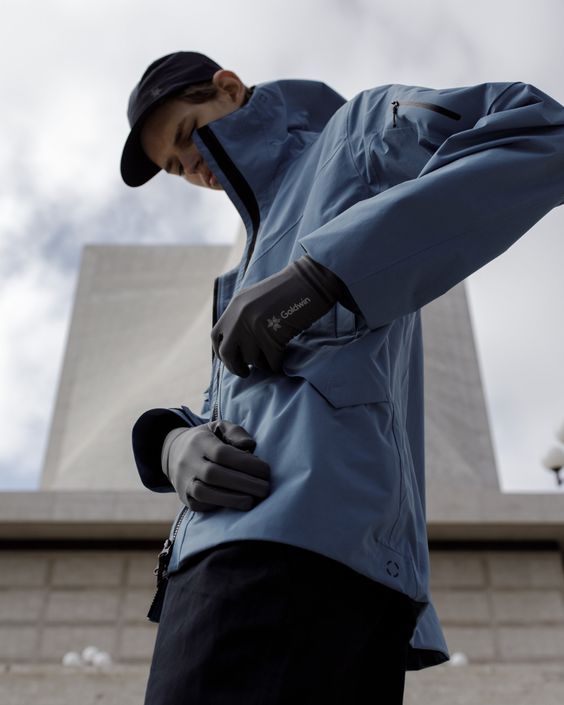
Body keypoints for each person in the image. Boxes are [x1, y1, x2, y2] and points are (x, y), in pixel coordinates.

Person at [121, 51, 564, 704]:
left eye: (188, 135)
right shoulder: (244, 266)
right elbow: (261, 403)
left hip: (294, 557)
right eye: (176, 168)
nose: (194, 167)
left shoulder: (358, 135)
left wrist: (325, 274)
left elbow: (539, 130)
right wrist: (170, 442)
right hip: (235, 563)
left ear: (228, 87)